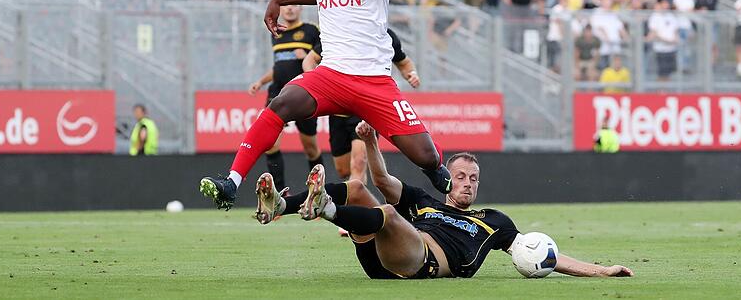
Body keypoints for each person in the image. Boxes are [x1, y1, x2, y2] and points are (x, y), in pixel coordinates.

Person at [200, 0, 451, 211]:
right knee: (279, 103)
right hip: (330, 77)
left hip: (375, 83)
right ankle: (232, 182)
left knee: (425, 156)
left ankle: (436, 166)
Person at [253, 121, 635, 279]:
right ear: (448, 178)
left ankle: (329, 211)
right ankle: (283, 206)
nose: (468, 183)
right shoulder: (424, 201)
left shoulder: (494, 221)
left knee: (386, 212)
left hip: (422, 263)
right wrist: (371, 141)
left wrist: (601, 271)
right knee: (357, 186)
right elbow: (382, 178)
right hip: (384, 251)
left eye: (474, 179)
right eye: (462, 176)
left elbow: (546, 255)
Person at [302, 28, 420, 183]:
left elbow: (403, 62)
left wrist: (412, 74)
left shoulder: (386, 36)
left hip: (366, 111)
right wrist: (316, 84)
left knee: (358, 164)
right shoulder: (341, 33)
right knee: (343, 170)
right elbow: (309, 60)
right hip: (338, 111)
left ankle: (356, 206)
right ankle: (355, 199)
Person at [247, 0, 324, 193]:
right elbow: (279, 66)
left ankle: (316, 193)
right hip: (278, 93)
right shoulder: (276, 33)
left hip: (303, 94)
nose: (289, 8)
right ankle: (280, 194)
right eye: (285, 5)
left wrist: (306, 56)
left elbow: (325, 57)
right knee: (270, 143)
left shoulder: (311, 30)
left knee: (311, 148)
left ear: (300, 8)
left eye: (293, 5)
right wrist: (261, 82)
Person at [647, 0, 680, 81]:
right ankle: (660, 92)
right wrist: (666, 40)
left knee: (669, 73)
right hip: (660, 49)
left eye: (667, 3)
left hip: (671, 49)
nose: (666, 5)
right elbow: (654, 33)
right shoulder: (655, 17)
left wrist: (675, 40)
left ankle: (666, 91)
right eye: (664, 3)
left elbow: (675, 31)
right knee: (661, 73)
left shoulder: (671, 16)